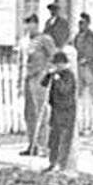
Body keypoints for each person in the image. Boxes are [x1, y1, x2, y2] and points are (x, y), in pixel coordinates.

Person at [18, 13, 57, 156]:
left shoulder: (44, 39)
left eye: (31, 23)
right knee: (29, 113)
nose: (28, 26)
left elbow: (54, 57)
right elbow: (21, 63)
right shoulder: (25, 41)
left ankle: (44, 146)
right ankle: (32, 145)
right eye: (26, 23)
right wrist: (19, 83)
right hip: (28, 78)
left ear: (36, 24)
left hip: (40, 78)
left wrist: (49, 72)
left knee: (42, 112)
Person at [41, 51, 78, 174]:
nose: (56, 67)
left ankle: (61, 165)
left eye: (58, 65)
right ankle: (52, 163)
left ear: (63, 64)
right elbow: (43, 83)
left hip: (66, 111)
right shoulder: (56, 74)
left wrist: (57, 79)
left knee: (64, 139)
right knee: (54, 138)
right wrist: (49, 75)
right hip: (56, 110)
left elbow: (65, 90)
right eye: (55, 65)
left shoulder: (69, 75)